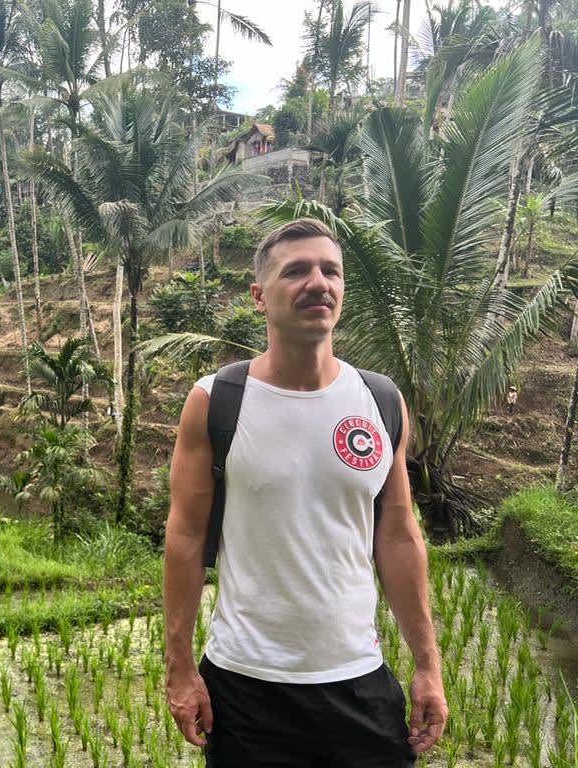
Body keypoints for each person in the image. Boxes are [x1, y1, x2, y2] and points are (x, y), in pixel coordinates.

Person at [163, 219, 447, 767]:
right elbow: (186, 536)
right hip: (246, 689)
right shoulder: (216, 400)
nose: (318, 282)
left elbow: (399, 536)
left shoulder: (380, 400)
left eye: (330, 270)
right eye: (296, 271)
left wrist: (427, 665)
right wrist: (179, 666)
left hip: (359, 682)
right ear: (259, 296)